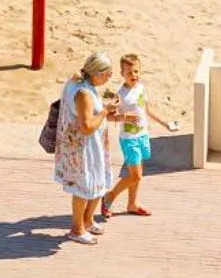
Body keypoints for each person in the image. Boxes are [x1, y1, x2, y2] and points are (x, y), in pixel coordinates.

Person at [54, 52, 119, 244]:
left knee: (97, 181)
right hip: (83, 148)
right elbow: (87, 126)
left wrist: (113, 115)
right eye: (108, 73)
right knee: (83, 187)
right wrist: (106, 110)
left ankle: (88, 220)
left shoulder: (78, 83)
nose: (110, 77)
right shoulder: (84, 93)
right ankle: (77, 228)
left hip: (85, 145)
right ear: (97, 73)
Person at [102, 53, 177, 219]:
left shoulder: (141, 88)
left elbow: (147, 110)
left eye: (136, 71)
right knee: (136, 175)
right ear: (122, 74)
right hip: (129, 139)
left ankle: (132, 204)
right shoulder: (120, 94)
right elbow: (108, 116)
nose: (133, 75)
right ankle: (109, 197)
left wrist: (165, 124)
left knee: (136, 173)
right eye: (129, 73)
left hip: (142, 136)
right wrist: (124, 117)